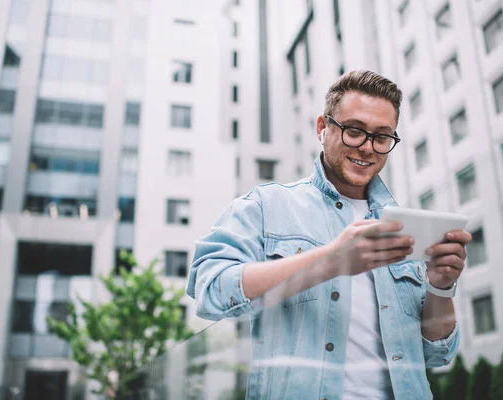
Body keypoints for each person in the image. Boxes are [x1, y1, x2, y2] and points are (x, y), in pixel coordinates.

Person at [187, 70, 472, 399]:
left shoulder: (405, 227)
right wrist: (330, 260)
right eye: (354, 131)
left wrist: (440, 287)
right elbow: (210, 291)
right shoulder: (266, 206)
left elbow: (437, 354)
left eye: (382, 137)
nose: (367, 148)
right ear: (323, 128)